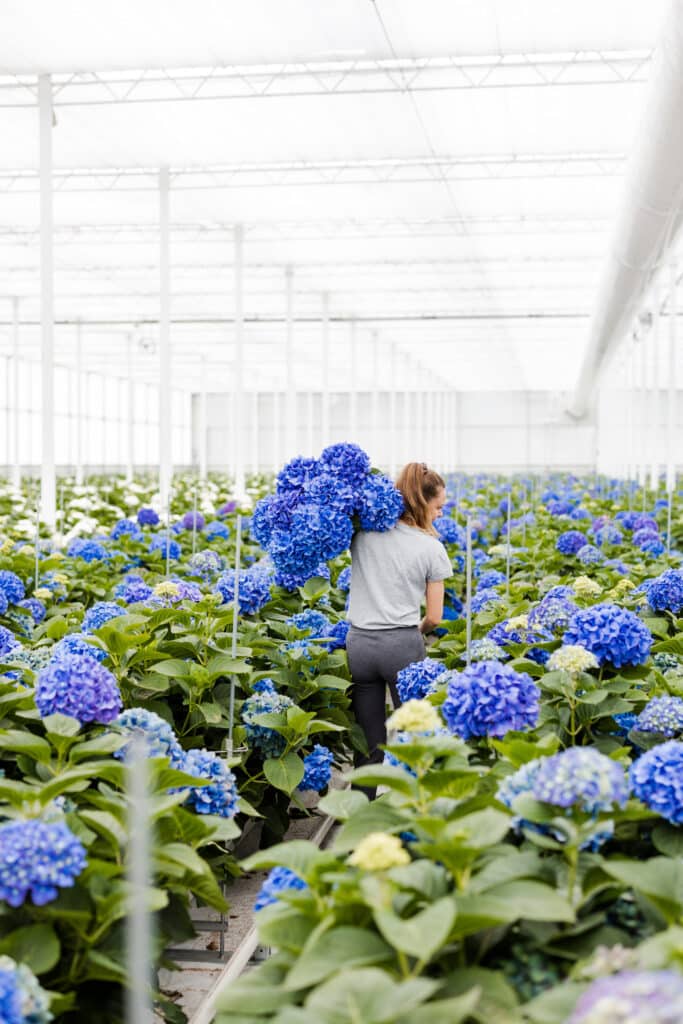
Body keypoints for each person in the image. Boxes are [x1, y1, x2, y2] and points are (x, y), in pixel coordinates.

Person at [346, 462, 453, 792]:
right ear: (423, 503)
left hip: (359, 645)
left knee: (369, 740)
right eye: (438, 507)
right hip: (402, 645)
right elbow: (435, 617)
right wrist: (415, 631)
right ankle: (407, 811)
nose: (439, 515)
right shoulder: (431, 548)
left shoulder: (362, 534)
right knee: (412, 738)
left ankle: (360, 814)